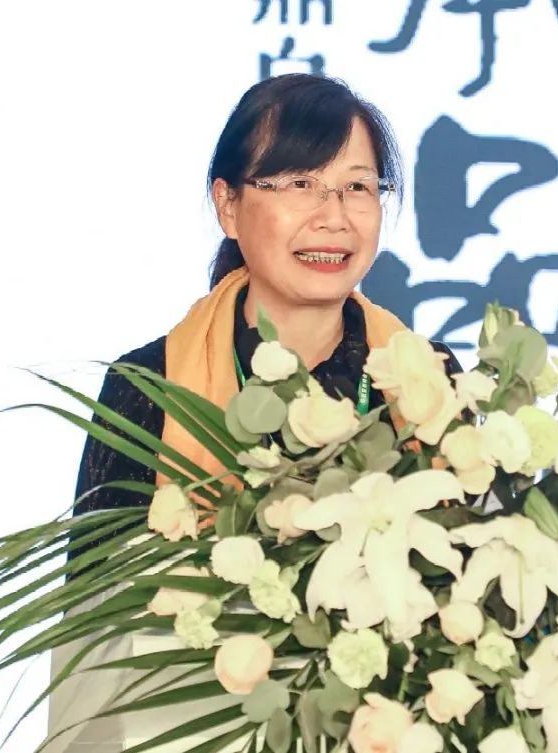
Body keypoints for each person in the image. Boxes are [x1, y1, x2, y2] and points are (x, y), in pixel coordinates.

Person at [71, 74, 461, 551]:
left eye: (357, 186)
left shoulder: (431, 379)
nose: (334, 218)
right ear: (227, 205)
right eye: (299, 183)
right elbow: (97, 593)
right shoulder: (150, 388)